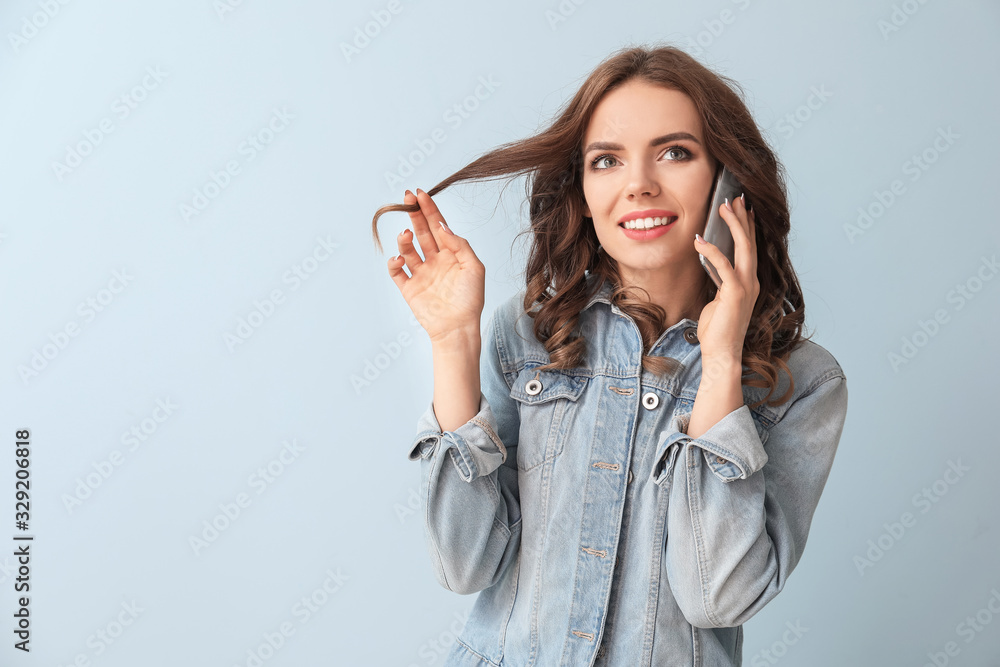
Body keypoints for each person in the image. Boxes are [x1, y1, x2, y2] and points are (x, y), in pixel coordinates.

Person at [371, 44, 848, 667]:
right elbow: (465, 564)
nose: (639, 184)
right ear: (584, 189)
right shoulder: (528, 333)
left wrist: (723, 361)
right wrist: (453, 341)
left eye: (675, 152)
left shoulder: (801, 384)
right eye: (606, 160)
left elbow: (717, 597)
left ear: (728, 181)